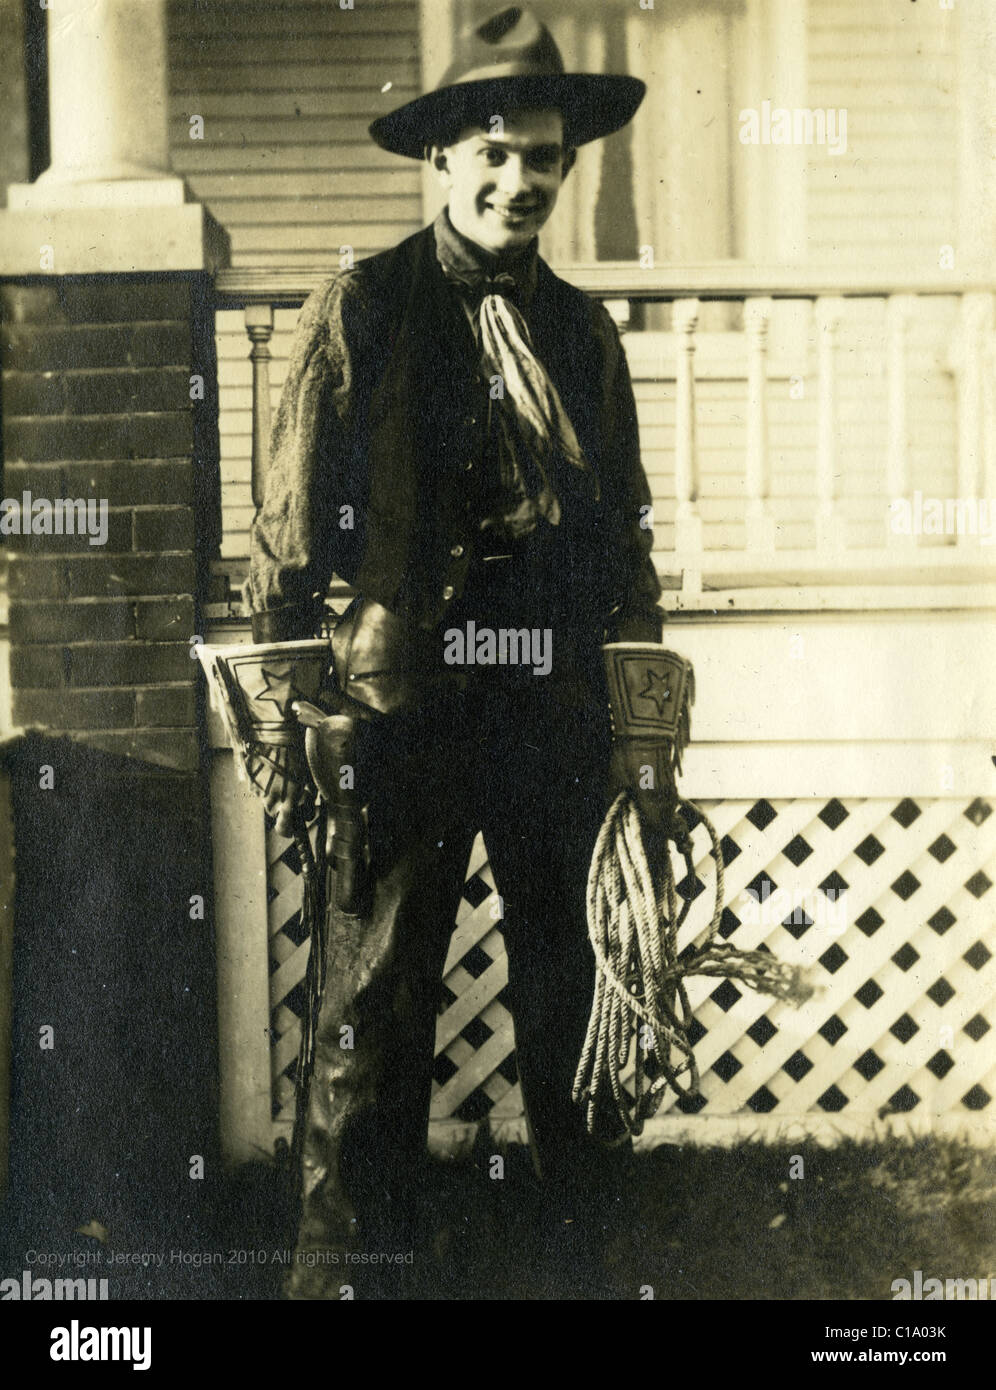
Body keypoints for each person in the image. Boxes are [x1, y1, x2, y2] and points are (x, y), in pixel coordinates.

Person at [245, 5, 672, 1298]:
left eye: (542, 157)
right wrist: (294, 718)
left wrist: (643, 739)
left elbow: (628, 544)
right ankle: (342, 1283)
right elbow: (283, 534)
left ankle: (578, 1274)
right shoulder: (362, 310)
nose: (518, 180)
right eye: (493, 152)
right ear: (439, 160)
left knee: (576, 1011)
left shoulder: (583, 336)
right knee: (370, 1021)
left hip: (553, 714)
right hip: (398, 709)